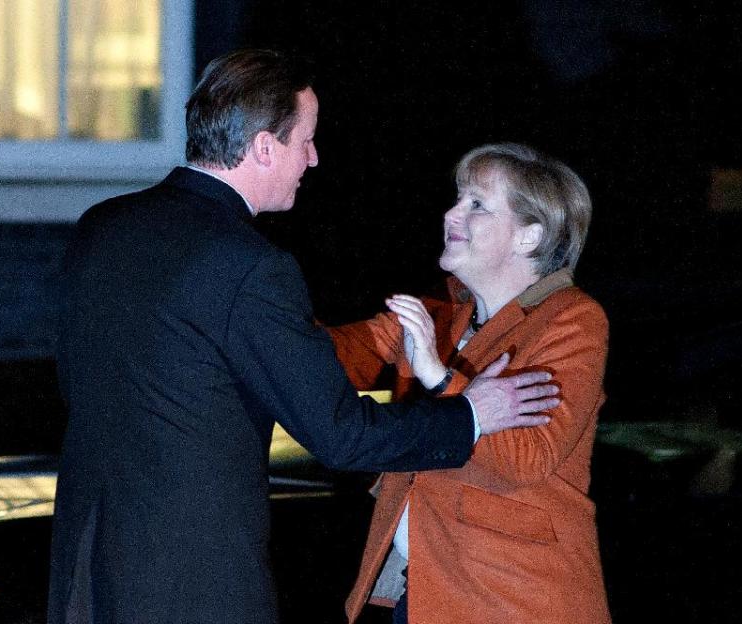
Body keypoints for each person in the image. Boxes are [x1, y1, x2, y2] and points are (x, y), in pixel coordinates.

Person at [48, 51, 559, 624]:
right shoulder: (247, 265)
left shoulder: (103, 227)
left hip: (86, 575)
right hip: (192, 584)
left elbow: (88, 384)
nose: (313, 160)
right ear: (265, 147)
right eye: (305, 142)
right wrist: (470, 415)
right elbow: (339, 434)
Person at [330, 143, 611, 623]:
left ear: (529, 236)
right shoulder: (443, 319)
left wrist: (442, 381)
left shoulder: (573, 320)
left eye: (476, 204)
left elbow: (528, 456)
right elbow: (324, 356)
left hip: (516, 602)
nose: (451, 213)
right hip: (426, 594)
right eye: (458, 198)